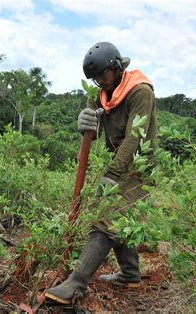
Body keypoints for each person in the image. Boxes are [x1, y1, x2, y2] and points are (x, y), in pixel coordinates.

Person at [45, 42, 157, 305]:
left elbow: (135, 136)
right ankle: (130, 274)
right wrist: (84, 122)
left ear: (116, 68)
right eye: (94, 78)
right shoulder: (101, 93)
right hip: (116, 166)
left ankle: (75, 283)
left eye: (102, 75)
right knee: (117, 215)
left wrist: (112, 174)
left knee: (106, 218)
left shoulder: (140, 92)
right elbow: (93, 135)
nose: (99, 82)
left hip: (139, 167)